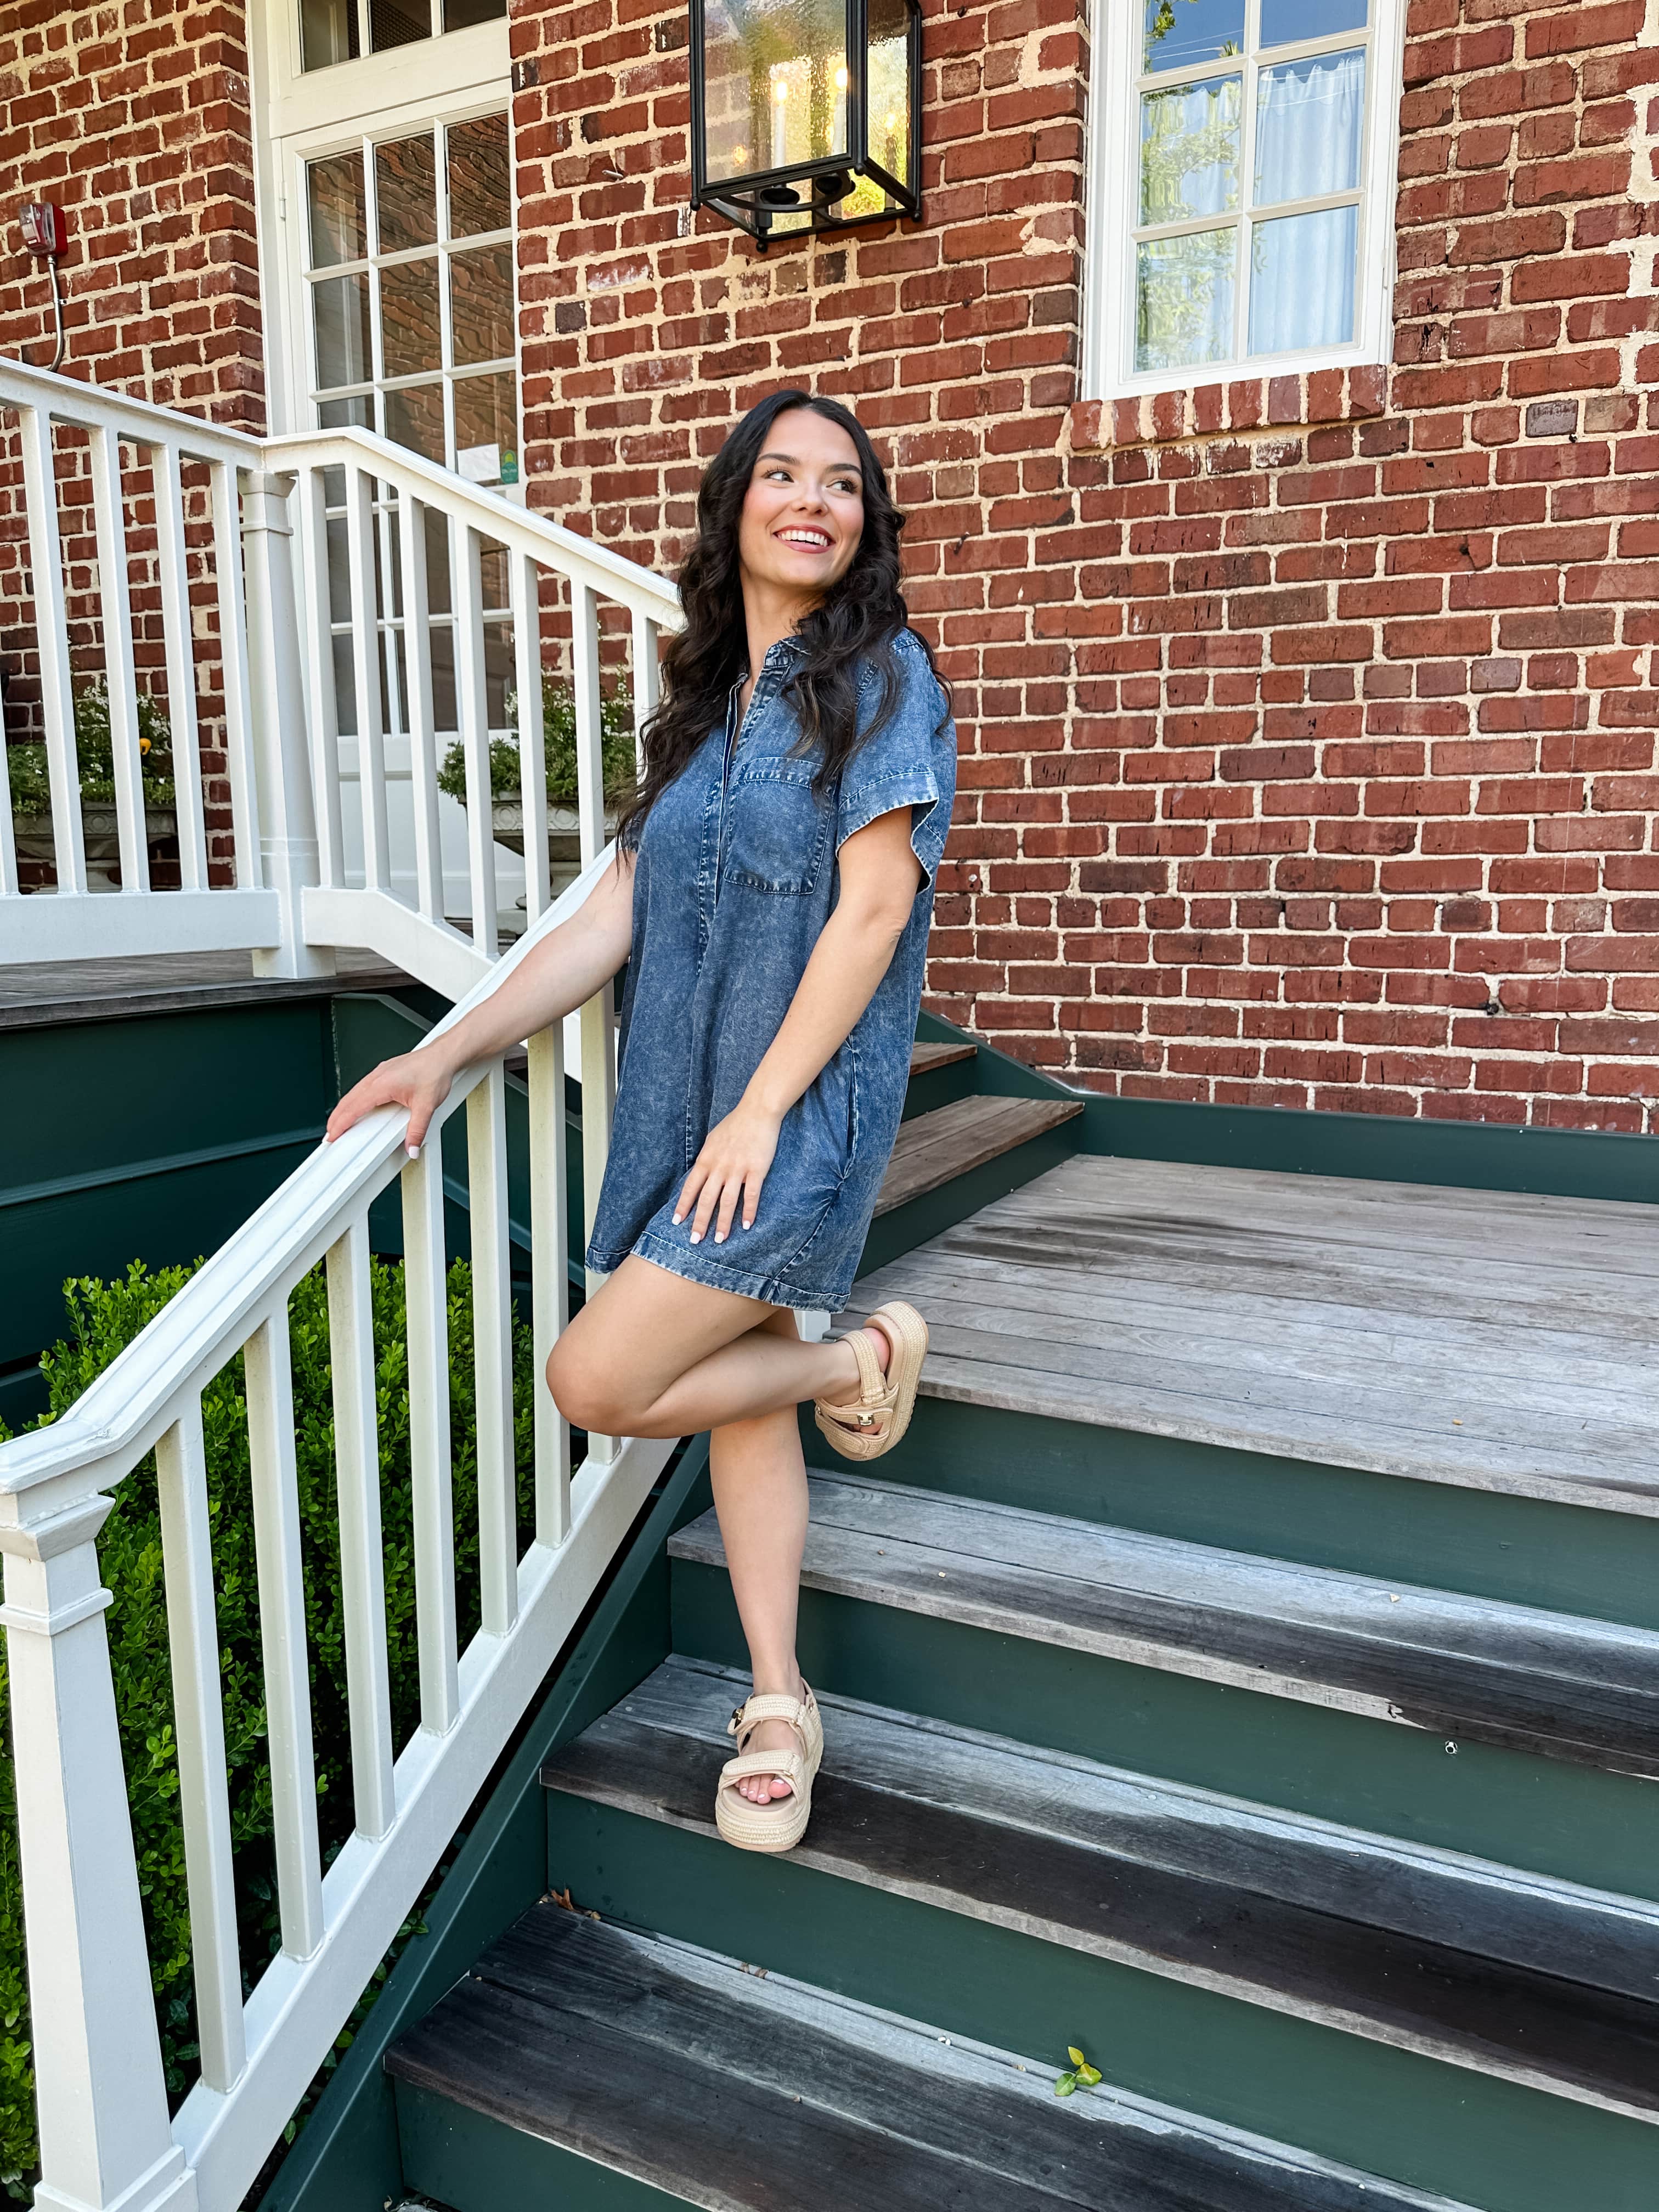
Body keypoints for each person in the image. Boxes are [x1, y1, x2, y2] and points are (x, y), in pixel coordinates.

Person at [326, 388, 957, 1854]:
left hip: (792, 1114)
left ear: (865, 523)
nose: (815, 500)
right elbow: (607, 919)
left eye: (844, 483)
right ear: (736, 501)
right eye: (784, 474)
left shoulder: (885, 675)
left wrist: (760, 1115)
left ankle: (858, 1356)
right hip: (691, 1110)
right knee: (739, 1385)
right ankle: (783, 1700)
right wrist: (443, 1052)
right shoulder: (701, 707)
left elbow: (872, 915)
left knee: (597, 1379)